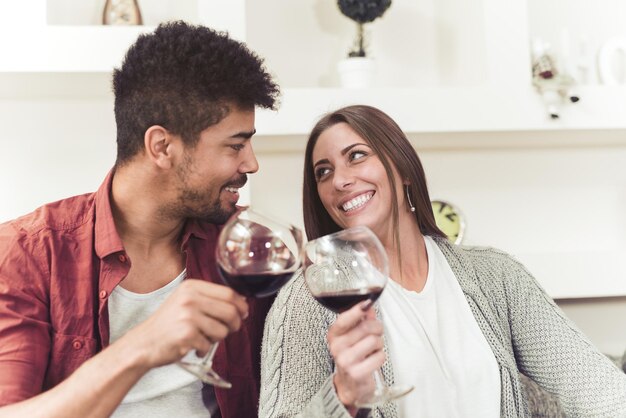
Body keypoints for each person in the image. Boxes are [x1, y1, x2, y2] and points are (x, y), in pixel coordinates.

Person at [259, 105, 626, 417]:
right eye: (323, 172)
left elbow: (600, 390)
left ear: (402, 168)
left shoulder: (497, 276)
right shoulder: (308, 300)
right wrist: (341, 396)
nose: (339, 180)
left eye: (356, 155)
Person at [0, 21, 279, 418]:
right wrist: (142, 346)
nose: (250, 163)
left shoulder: (249, 247)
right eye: (235, 145)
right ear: (162, 147)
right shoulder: (29, 253)